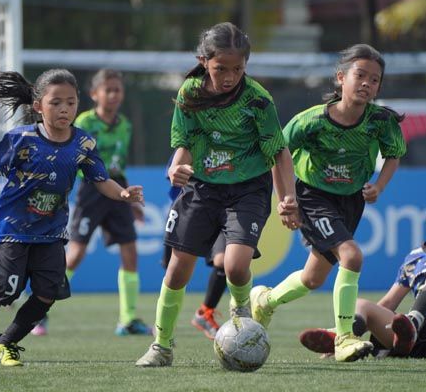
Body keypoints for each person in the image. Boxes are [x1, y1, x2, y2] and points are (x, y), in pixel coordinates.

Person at [0, 69, 144, 366]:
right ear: (38, 106)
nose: (64, 109)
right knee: (8, 290)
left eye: (70, 102)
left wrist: (123, 195)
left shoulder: (83, 143)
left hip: (51, 232)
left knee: (47, 294)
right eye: (56, 103)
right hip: (12, 228)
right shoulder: (20, 138)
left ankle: (6, 343)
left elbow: (101, 179)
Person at [135, 22, 299, 367]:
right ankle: (161, 346)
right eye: (220, 68)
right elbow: (183, 146)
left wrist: (288, 199)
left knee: (236, 267)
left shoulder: (257, 100)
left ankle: (241, 314)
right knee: (178, 270)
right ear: (203, 60)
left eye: (237, 69)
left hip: (249, 188)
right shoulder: (190, 93)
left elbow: (279, 153)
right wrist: (175, 169)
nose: (229, 76)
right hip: (204, 187)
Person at [250, 43, 407, 362]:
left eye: (374, 79)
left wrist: (378, 185)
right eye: (359, 75)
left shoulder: (381, 121)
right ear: (340, 78)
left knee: (313, 278)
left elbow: (393, 156)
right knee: (352, 255)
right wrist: (287, 200)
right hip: (313, 196)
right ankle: (345, 338)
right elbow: (277, 156)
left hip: (350, 201)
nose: (366, 83)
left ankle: (266, 301)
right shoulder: (310, 121)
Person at [299, 191, 426, 359]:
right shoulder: (415, 257)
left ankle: (413, 325)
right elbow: (389, 303)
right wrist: (368, 319)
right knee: (360, 304)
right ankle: (344, 339)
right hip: (417, 342)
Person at [31, 69, 150, 337]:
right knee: (75, 255)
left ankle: (128, 320)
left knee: (130, 253)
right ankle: (39, 313)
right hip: (92, 191)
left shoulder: (125, 125)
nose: (113, 95)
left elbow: (118, 165)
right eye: (107, 90)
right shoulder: (83, 122)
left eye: (117, 90)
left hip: (117, 191)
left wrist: (130, 201)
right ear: (94, 94)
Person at [161, 159, 227, 340]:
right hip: (189, 208)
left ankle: (206, 313)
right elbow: (172, 174)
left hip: (224, 207)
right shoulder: (191, 139)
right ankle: (164, 331)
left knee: (227, 263)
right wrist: (177, 170)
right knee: (173, 271)